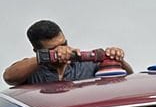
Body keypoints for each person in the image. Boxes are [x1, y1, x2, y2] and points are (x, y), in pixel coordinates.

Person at [4, 19, 132, 86]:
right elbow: (9, 77)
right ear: (38, 51)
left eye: (64, 44)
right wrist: (51, 56)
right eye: (53, 48)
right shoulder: (33, 71)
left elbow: (129, 79)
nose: (62, 49)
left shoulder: (84, 64)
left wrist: (117, 58)